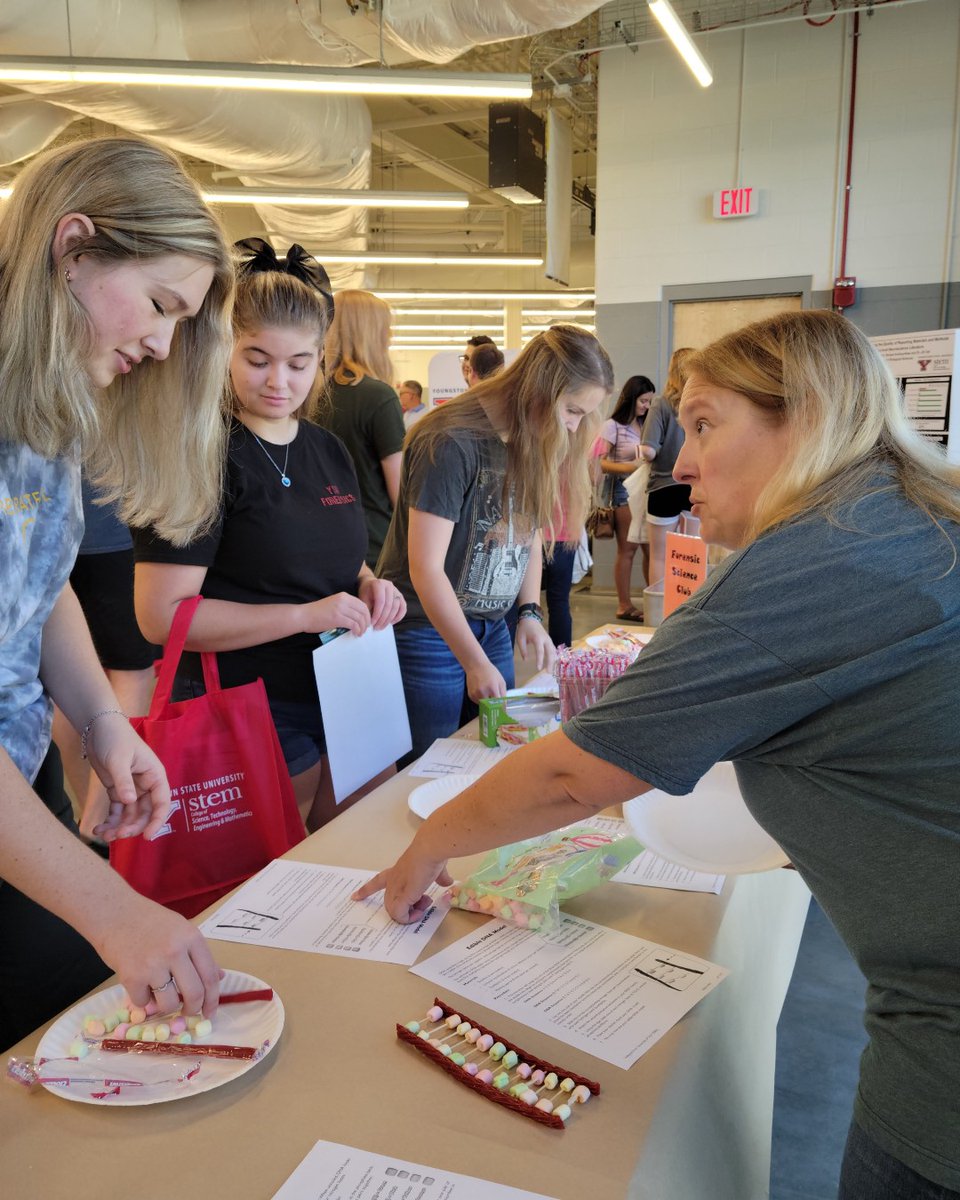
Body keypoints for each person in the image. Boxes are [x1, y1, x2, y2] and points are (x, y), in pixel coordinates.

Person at [357, 309, 960, 1200]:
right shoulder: (900, 521)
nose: (677, 460)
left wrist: (430, 845)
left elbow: (572, 772)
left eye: (708, 424)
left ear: (807, 417)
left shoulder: (820, 555)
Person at [0, 135, 234, 1048]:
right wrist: (116, 910)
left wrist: (101, 723)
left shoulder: (43, 403)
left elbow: (36, 580)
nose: (162, 342)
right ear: (74, 248)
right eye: (158, 304)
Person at [131, 244, 406, 834]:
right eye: (258, 359)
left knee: (350, 855)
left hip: (345, 692)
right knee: (278, 881)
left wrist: (368, 585)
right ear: (224, 350)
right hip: (249, 705)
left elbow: (335, 557)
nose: (279, 381)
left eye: (299, 364)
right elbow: (163, 617)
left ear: (320, 360)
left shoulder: (325, 448)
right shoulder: (200, 453)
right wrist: (306, 616)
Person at [377, 324, 612, 762]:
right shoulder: (449, 440)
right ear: (540, 389)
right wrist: (472, 661)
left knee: (491, 756)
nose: (574, 425)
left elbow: (530, 530)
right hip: (429, 631)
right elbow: (425, 568)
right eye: (572, 410)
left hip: (492, 626)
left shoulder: (531, 437)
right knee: (431, 764)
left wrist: (529, 612)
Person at [52, 475, 159, 831]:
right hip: (110, 517)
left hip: (52, 519)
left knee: (65, 675)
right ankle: (102, 828)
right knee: (133, 671)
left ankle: (90, 818)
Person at [320, 289, 405, 568]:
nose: (389, 337)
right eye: (386, 330)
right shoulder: (379, 397)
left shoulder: (308, 393)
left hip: (319, 538)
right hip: (373, 547)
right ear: (372, 333)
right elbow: (400, 493)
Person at [598, 374, 656, 620]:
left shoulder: (646, 425)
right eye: (643, 401)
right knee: (628, 548)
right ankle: (623, 604)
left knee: (650, 549)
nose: (647, 406)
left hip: (644, 489)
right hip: (622, 490)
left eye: (650, 401)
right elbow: (600, 463)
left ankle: (653, 603)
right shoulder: (612, 426)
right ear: (631, 399)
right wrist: (630, 467)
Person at [640, 348, 695, 587]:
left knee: (660, 556)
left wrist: (636, 451)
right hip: (694, 487)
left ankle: (659, 614)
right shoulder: (700, 404)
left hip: (663, 487)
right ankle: (688, 606)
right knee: (692, 554)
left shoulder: (660, 405)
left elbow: (649, 450)